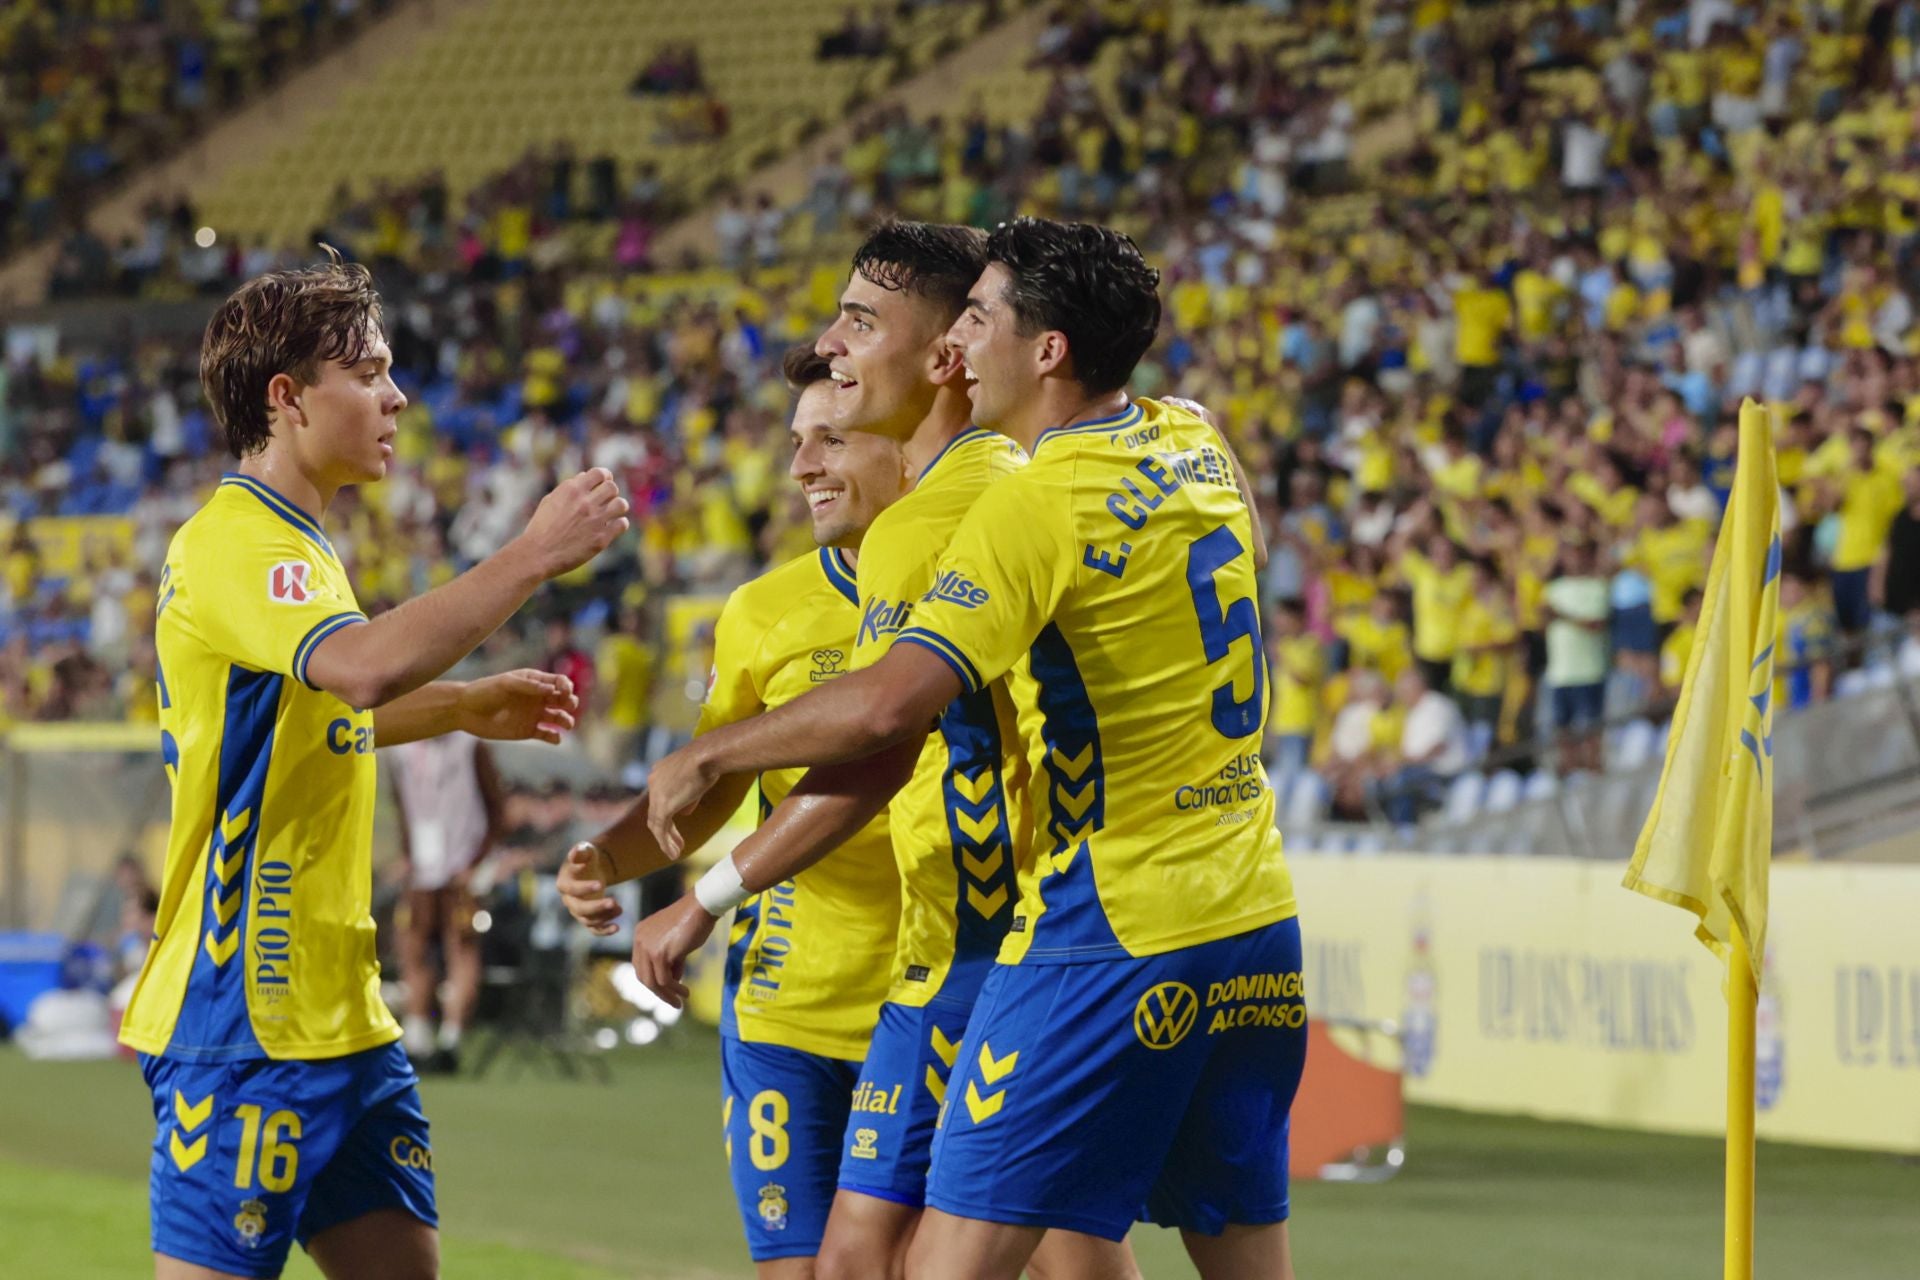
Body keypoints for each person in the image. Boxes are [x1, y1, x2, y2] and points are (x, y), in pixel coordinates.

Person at [641, 217, 1304, 1280]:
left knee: (938, 1265)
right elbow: (1249, 549)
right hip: (1255, 915)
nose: (961, 341)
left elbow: (886, 713)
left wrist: (715, 757)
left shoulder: (1023, 503)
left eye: (980, 319)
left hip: (1104, 921)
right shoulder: (1190, 436)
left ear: (1047, 349)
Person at [118, 251, 628, 1280]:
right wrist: (531, 554)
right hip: (244, 1018)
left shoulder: (299, 545)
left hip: (344, 1018)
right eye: (369, 373)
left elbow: (313, 721)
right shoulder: (237, 544)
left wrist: (460, 705)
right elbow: (358, 669)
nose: (397, 396)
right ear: (288, 397)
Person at [557, 344, 909, 1279]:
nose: (802, 468)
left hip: (936, 996)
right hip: (788, 1006)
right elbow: (703, 786)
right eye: (796, 442)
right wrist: (608, 858)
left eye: (832, 439)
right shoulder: (765, 611)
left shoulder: (981, 584)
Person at [388, 731, 505, 1074]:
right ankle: (417, 1036)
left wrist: (476, 862)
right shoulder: (402, 750)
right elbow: (401, 805)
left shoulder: (470, 744)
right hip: (422, 867)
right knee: (413, 949)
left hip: (460, 867)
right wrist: (408, 854)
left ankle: (451, 1039)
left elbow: (497, 809)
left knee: (461, 948)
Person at [1543, 539, 1611, 774]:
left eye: (1579, 553)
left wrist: (1562, 615)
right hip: (1560, 671)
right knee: (1563, 727)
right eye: (1570, 554)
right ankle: (1571, 768)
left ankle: (1594, 766)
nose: (1575, 559)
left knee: (1592, 725)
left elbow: (1596, 624)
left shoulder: (1597, 586)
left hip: (1589, 669)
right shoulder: (1553, 589)